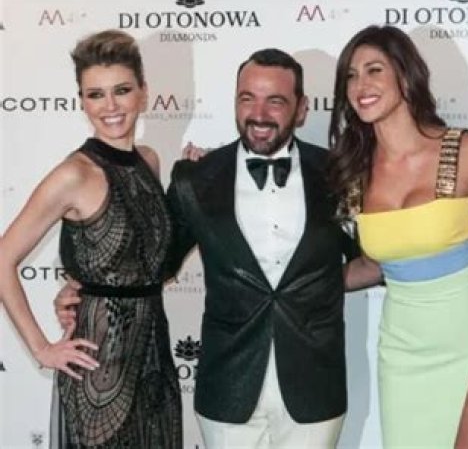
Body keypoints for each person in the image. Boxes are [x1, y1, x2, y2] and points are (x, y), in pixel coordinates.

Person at [59, 48, 362, 448]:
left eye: (275, 101)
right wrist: (83, 287)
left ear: (302, 108)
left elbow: (371, 259)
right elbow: (151, 264)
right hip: (227, 386)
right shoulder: (196, 179)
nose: (258, 113)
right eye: (247, 98)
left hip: (315, 386)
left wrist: (320, 283)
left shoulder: (338, 175)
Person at [329, 25, 468, 448]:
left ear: (405, 76)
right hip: (403, 348)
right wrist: (301, 286)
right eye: (351, 75)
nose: (360, 85)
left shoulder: (465, 152)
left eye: (374, 70)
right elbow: (375, 265)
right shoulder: (354, 170)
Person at [0, 30, 182, 447]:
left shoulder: (149, 161)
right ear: (82, 102)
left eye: (122, 90)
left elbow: (145, 258)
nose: (110, 106)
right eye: (95, 95)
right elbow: (3, 258)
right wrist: (41, 348)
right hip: (99, 375)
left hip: (155, 365)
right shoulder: (74, 175)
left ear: (144, 93)